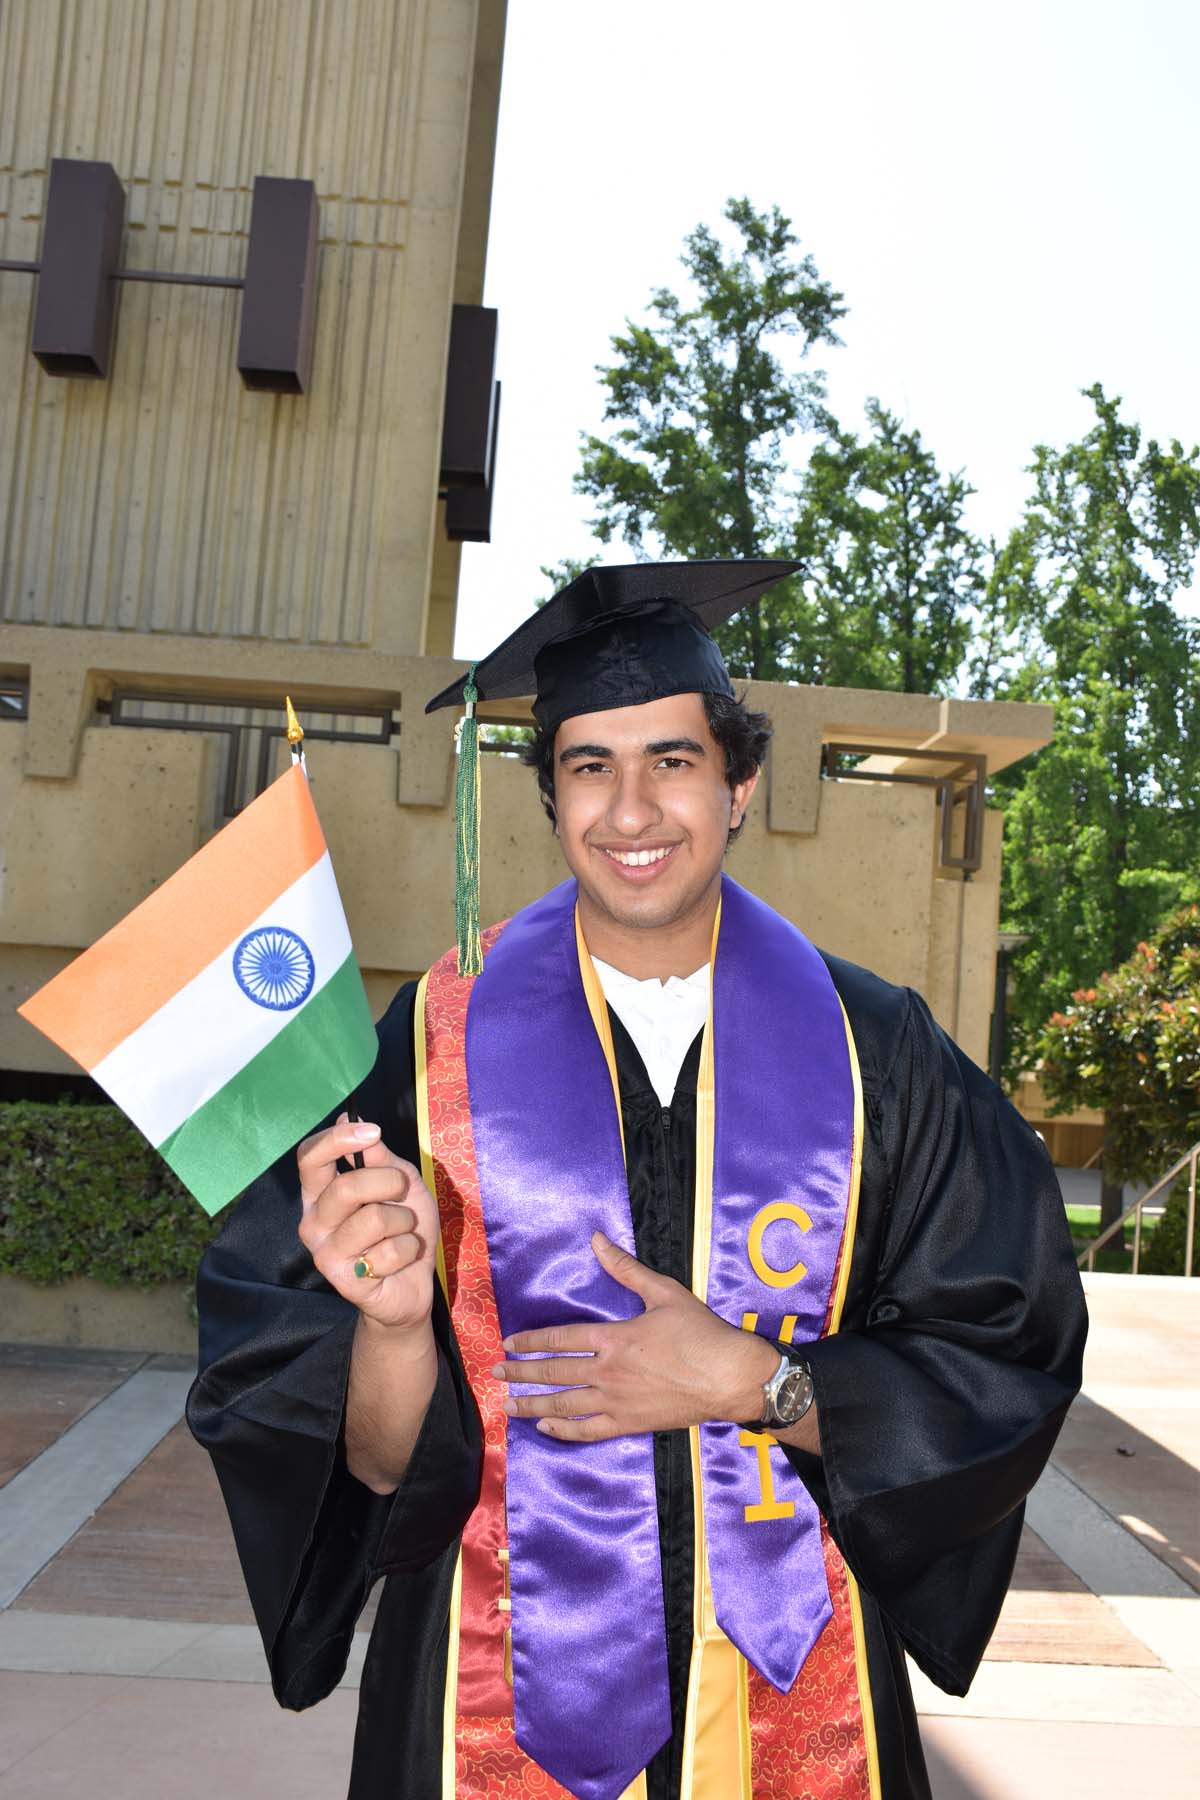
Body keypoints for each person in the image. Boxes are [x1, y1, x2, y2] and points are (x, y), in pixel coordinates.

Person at [188, 561, 1087, 1800]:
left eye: (671, 760)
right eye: (588, 766)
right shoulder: (426, 1047)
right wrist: (394, 1330)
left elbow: (1006, 1355)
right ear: (549, 797)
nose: (631, 810)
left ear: (739, 784)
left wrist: (762, 1384)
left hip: (798, 1674)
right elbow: (375, 1463)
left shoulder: (881, 1053)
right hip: (486, 1676)